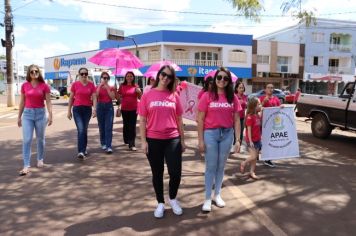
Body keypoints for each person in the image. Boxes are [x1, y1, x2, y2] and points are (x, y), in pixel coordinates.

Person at [138, 65, 186, 219]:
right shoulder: (148, 95)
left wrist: (182, 140)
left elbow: (179, 119)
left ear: (172, 79)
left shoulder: (174, 95)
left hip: (173, 139)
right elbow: (143, 120)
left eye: (169, 76)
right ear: (159, 75)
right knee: (157, 173)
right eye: (164, 75)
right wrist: (143, 141)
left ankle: (172, 199)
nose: (166, 78)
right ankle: (160, 202)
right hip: (153, 140)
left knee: (175, 173)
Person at [197, 67, 242, 212]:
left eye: (225, 78)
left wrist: (238, 140)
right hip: (210, 134)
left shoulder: (232, 98)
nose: (222, 80)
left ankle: (217, 195)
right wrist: (200, 141)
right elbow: (200, 119)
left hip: (227, 134)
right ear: (215, 79)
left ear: (229, 81)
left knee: (221, 166)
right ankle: (207, 198)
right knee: (211, 166)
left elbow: (236, 120)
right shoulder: (207, 96)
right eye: (219, 77)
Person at [17, 65, 53, 176]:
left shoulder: (44, 86)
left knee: (40, 139)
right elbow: (22, 102)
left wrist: (50, 115)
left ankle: (40, 159)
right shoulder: (24, 85)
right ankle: (26, 165)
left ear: (39, 72)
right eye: (32, 72)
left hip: (40, 114)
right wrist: (19, 116)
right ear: (29, 73)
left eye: (36, 71)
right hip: (27, 115)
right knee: (27, 140)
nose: (34, 73)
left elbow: (48, 102)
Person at [67, 67, 97, 160]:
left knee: (84, 129)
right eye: (82, 74)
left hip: (87, 109)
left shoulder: (91, 85)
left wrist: (94, 109)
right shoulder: (75, 85)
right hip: (77, 109)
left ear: (87, 75)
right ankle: (81, 151)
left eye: (85, 74)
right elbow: (71, 98)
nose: (84, 75)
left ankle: (83, 149)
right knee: (81, 130)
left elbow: (95, 98)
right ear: (79, 75)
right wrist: (69, 111)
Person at [117, 71, 142, 151]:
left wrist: (139, 92)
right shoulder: (122, 86)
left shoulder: (136, 86)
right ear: (125, 77)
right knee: (126, 125)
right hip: (124, 108)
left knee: (132, 126)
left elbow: (140, 97)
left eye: (131, 76)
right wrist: (118, 96)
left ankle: (132, 144)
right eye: (128, 76)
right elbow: (118, 96)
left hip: (134, 108)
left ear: (133, 77)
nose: (129, 77)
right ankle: (126, 139)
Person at [259, 83, 282, 167]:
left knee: (269, 141)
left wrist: (282, 107)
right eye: (268, 88)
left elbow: (280, 109)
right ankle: (260, 154)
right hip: (263, 123)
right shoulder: (261, 98)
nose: (270, 89)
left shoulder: (276, 99)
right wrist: (263, 103)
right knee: (261, 140)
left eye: (272, 88)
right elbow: (257, 109)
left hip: (273, 124)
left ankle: (267, 159)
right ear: (265, 89)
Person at [240, 97, 262, 180]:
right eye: (259, 104)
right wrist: (251, 141)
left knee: (255, 158)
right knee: (253, 156)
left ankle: (252, 172)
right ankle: (244, 162)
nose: (261, 105)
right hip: (251, 141)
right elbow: (248, 130)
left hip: (258, 139)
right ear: (254, 106)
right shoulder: (250, 117)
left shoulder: (258, 115)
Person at [96, 71, 116, 154]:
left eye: (107, 78)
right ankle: (103, 143)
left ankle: (108, 146)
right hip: (100, 106)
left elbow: (113, 97)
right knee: (101, 126)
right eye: (104, 78)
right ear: (101, 78)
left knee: (108, 127)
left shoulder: (111, 87)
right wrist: (100, 86)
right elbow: (96, 96)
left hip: (109, 107)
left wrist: (107, 88)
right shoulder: (98, 86)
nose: (105, 79)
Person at [233, 81, 247, 146]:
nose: (241, 89)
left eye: (242, 88)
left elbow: (247, 106)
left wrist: (246, 104)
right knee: (234, 133)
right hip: (234, 118)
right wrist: (238, 102)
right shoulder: (234, 96)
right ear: (236, 89)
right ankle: (233, 145)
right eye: (240, 87)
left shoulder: (245, 97)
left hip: (242, 118)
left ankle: (239, 146)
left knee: (241, 133)